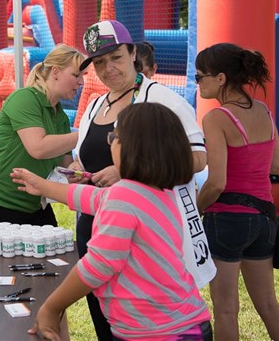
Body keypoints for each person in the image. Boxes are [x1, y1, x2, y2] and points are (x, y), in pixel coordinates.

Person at [12, 103, 212, 341]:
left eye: (113, 136)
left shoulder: (124, 195)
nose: (110, 143)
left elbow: (99, 265)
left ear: (131, 146)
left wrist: (51, 308)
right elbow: (93, 197)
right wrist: (43, 186)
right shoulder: (159, 193)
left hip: (157, 333)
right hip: (188, 324)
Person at [68, 20, 209, 340]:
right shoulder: (93, 105)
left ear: (133, 52)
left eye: (115, 57)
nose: (108, 68)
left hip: (146, 243)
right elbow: (84, 156)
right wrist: (77, 170)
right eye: (99, 62)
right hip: (95, 230)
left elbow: (199, 158)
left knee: (143, 325)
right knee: (107, 322)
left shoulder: (162, 99)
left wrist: (130, 168)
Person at [195, 43, 279, 341]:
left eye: (200, 76)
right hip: (264, 220)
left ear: (221, 78)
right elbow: (277, 166)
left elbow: (217, 182)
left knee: (225, 310)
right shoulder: (264, 111)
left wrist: (195, 211)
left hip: (226, 219)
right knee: (267, 304)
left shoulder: (216, 118)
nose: (197, 82)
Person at [0, 44, 85, 226]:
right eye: (76, 75)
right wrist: (85, 133)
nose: (81, 83)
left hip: (33, 204)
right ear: (55, 72)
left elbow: (64, 161)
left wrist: (74, 170)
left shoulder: (59, 115)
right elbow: (38, 148)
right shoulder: (25, 98)